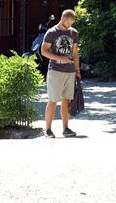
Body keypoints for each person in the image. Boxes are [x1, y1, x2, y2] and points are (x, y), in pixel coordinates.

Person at [40, 9, 81, 138]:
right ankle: (47, 130)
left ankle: (66, 128)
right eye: (68, 23)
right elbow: (44, 51)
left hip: (70, 71)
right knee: (53, 100)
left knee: (66, 100)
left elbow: (75, 53)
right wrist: (60, 58)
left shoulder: (73, 33)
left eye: (71, 23)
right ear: (62, 19)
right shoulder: (51, 33)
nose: (69, 25)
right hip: (55, 70)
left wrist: (77, 70)